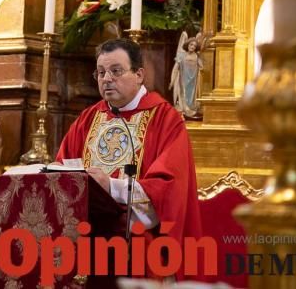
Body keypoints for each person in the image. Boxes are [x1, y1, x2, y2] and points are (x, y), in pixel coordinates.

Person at [56, 38, 202, 277]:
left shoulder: (165, 119)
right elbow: (63, 167)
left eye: (116, 71)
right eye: (101, 72)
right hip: (86, 233)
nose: (106, 79)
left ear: (139, 74)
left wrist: (111, 187)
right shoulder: (88, 118)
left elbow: (168, 188)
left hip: (140, 239)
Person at [169, 31, 205, 119]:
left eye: (194, 46)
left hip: (193, 81)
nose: (192, 47)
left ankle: (191, 112)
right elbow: (175, 69)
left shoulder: (196, 56)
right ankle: (184, 111)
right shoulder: (181, 56)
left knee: (191, 97)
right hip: (183, 80)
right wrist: (172, 81)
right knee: (183, 95)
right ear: (187, 45)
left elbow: (202, 68)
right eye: (191, 45)